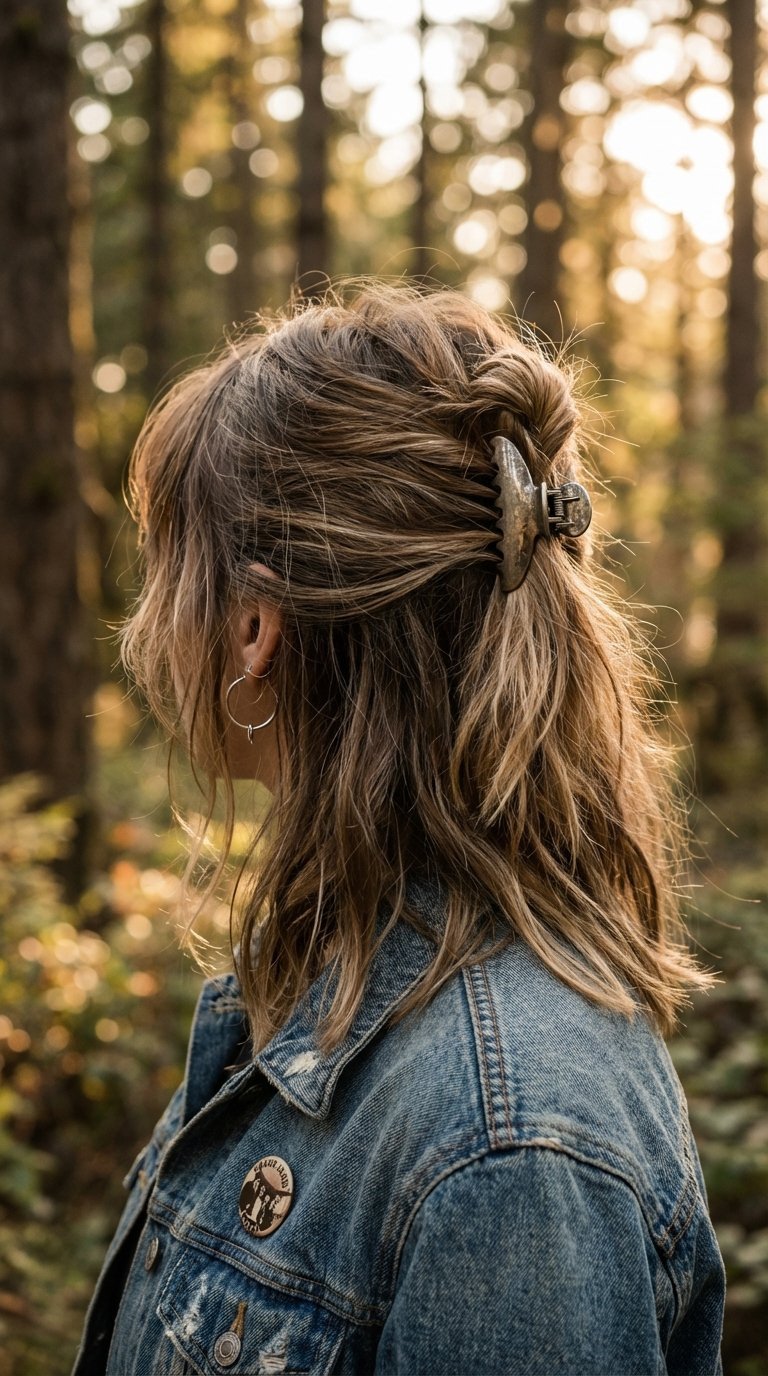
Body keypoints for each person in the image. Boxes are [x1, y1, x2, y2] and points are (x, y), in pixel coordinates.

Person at [73, 280, 725, 1376]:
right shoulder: (328, 971)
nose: (147, 622)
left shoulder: (506, 1145)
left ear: (252, 625)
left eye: (165, 566)